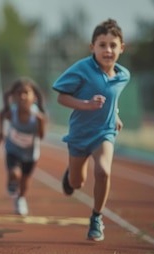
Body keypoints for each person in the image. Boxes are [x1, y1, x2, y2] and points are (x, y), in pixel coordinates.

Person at [53, 18, 130, 241]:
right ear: (92, 47)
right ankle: (70, 175)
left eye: (113, 45)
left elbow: (112, 96)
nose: (108, 50)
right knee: (77, 183)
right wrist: (85, 105)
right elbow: (61, 97)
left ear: (121, 48)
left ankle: (96, 217)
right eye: (102, 45)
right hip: (79, 134)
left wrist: (115, 114)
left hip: (104, 132)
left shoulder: (123, 75)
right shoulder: (81, 69)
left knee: (103, 171)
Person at [0, 78, 47, 216]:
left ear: (34, 97)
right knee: (15, 173)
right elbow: (1, 114)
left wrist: (41, 123)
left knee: (25, 181)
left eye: (26, 93)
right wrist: (1, 132)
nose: (22, 96)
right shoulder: (12, 112)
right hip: (13, 150)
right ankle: (11, 182)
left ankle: (21, 199)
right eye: (18, 93)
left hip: (30, 154)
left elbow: (41, 136)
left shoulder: (37, 116)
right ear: (14, 96)